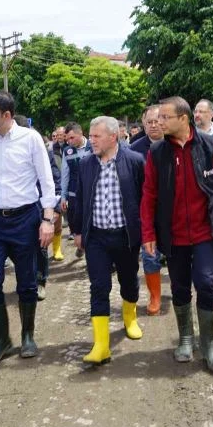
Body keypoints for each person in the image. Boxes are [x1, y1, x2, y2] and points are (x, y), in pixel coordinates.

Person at [141, 96, 213, 373]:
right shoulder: (158, 152)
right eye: (158, 118)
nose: (159, 122)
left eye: (164, 118)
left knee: (207, 282)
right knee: (180, 286)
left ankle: (208, 343)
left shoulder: (209, 146)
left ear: (183, 119)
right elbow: (149, 194)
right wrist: (148, 232)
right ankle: (186, 338)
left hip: (205, 232)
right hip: (173, 236)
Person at [0, 91, 56, 367]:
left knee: (27, 282)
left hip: (25, 220)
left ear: (6, 115)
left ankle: (27, 336)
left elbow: (46, 181)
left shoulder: (30, 139)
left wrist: (47, 220)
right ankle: (1, 340)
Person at [71, 116, 145, 366]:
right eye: (90, 136)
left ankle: (129, 317)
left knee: (128, 281)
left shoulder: (134, 161)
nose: (91, 141)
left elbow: (145, 198)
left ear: (113, 137)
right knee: (99, 287)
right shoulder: (85, 164)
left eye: (96, 136)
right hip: (97, 238)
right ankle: (101, 345)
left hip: (125, 236)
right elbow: (79, 199)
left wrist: (146, 233)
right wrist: (78, 231)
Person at [14, 114, 61, 301]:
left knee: (40, 246)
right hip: (17, 209)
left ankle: (40, 281)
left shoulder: (40, 148)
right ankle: (27, 279)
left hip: (41, 206)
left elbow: (54, 178)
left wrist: (54, 208)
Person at [130, 105, 165, 315]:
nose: (153, 125)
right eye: (149, 122)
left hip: (173, 212)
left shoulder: (174, 144)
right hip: (146, 213)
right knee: (150, 255)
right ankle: (155, 296)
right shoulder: (134, 150)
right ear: (143, 124)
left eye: (157, 121)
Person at [60, 122, 90, 259]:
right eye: (67, 139)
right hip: (74, 194)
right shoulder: (67, 151)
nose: (69, 141)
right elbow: (65, 175)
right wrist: (63, 196)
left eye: (72, 138)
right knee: (75, 223)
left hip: (91, 193)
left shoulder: (93, 146)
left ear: (81, 133)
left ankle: (90, 252)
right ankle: (81, 245)